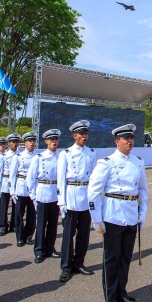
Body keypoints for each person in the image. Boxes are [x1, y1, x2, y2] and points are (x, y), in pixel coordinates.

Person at [88, 124, 149, 302]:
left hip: (131, 214)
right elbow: (93, 192)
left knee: (125, 257)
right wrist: (97, 218)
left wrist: (142, 214)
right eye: (126, 139)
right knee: (111, 259)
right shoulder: (106, 162)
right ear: (117, 141)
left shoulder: (138, 162)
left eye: (131, 138)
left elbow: (143, 191)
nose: (130, 141)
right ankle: (111, 297)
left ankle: (122, 291)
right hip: (113, 215)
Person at [57, 120, 97, 283]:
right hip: (71, 196)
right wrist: (62, 202)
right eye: (81, 134)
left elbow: (94, 179)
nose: (84, 137)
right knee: (68, 235)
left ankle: (79, 263)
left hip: (85, 196)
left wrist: (95, 201)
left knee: (84, 235)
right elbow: (60, 180)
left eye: (86, 134)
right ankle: (66, 266)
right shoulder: (65, 154)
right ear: (74, 136)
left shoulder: (91, 153)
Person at [27, 129, 61, 263]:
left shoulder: (60, 157)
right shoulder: (39, 158)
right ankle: (39, 250)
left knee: (53, 224)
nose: (54, 142)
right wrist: (33, 195)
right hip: (42, 192)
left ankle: (50, 248)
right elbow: (31, 178)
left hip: (55, 193)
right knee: (41, 224)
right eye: (51, 140)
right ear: (46, 141)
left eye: (56, 140)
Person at [9, 132, 37, 247]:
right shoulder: (18, 157)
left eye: (34, 141)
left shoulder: (38, 156)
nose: (32, 143)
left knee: (32, 214)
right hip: (21, 187)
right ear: (25, 143)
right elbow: (12, 174)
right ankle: (20, 236)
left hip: (33, 189)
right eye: (29, 141)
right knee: (19, 214)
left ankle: (29, 235)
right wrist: (12, 190)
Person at [0, 133, 20, 236]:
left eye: (16, 142)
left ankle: (14, 225)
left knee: (16, 206)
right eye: (12, 142)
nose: (14, 144)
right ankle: (3, 225)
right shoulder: (4, 156)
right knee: (4, 205)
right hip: (6, 182)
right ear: (8, 143)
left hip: (17, 182)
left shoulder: (20, 155)